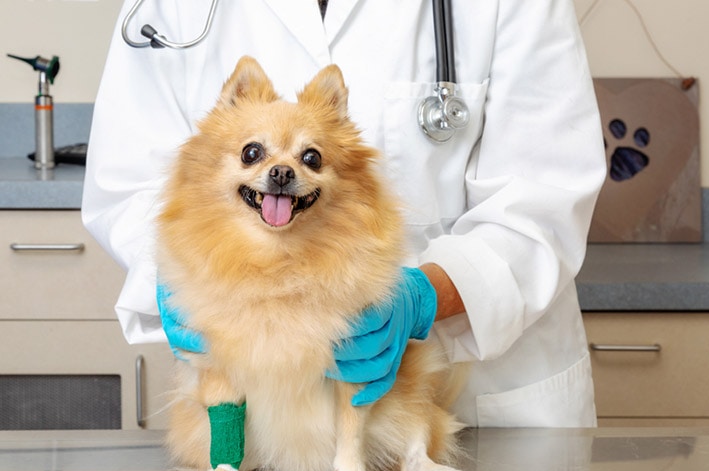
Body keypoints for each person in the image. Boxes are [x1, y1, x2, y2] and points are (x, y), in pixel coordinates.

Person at [82, 0, 606, 428]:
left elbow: (544, 196)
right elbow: (128, 182)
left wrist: (422, 299)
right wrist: (185, 286)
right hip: (260, 405)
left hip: (485, 397)